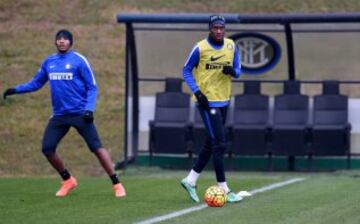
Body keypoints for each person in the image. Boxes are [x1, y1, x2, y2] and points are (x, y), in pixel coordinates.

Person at [3, 29, 126, 198]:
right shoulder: (49, 62)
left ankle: (117, 183)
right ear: (55, 42)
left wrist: (89, 109)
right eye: (59, 39)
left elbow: (92, 87)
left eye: (65, 39)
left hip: (81, 113)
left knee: (96, 148)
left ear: (70, 42)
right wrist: (16, 90)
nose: (61, 41)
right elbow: (36, 83)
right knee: (47, 148)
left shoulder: (79, 60)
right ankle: (68, 180)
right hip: (60, 115)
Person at [181, 15, 242, 203]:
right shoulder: (200, 48)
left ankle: (190, 180)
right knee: (220, 144)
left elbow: (238, 70)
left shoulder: (231, 46)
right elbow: (186, 70)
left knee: (211, 143)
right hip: (207, 103)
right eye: (215, 28)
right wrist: (197, 92)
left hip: (224, 101)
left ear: (225, 29)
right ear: (210, 29)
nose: (218, 31)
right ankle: (223, 188)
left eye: (221, 28)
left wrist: (232, 71)